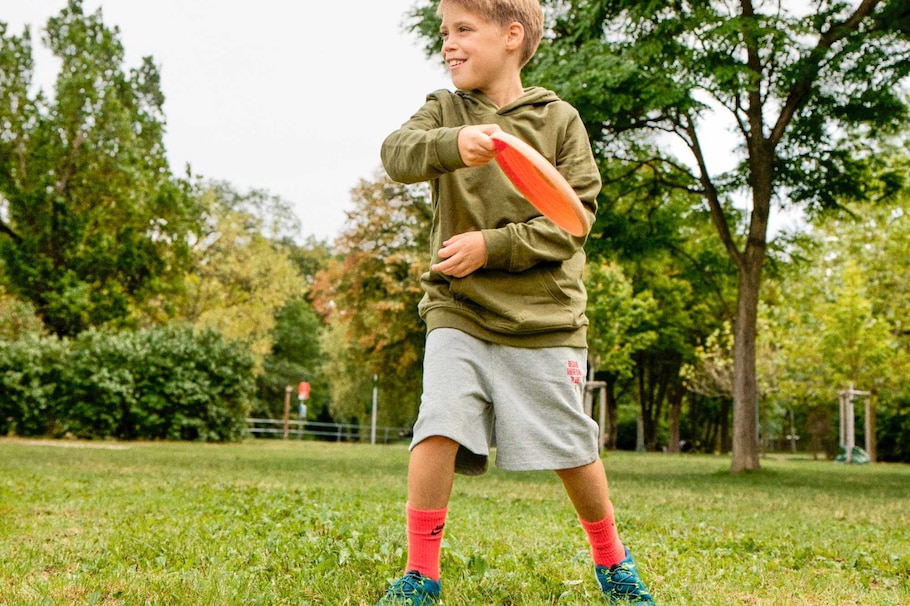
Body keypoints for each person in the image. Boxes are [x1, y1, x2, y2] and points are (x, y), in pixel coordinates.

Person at [376, 0, 656, 604]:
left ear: (511, 36)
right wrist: (454, 143)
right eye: (443, 32)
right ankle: (421, 574)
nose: (448, 43)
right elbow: (396, 153)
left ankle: (613, 563)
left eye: (463, 30)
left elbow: (573, 221)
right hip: (459, 308)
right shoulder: (443, 110)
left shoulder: (559, 120)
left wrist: (491, 245)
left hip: (542, 318)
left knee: (572, 444)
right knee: (438, 424)